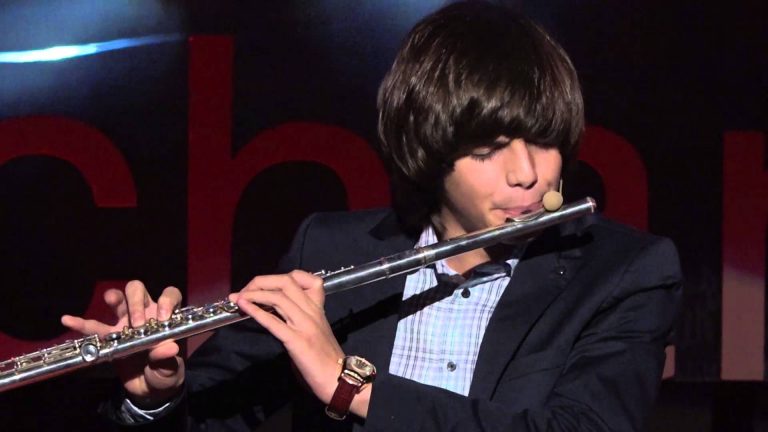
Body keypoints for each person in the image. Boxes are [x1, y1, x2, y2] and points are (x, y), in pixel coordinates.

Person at [62, 2, 682, 431]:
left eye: (543, 141)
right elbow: (214, 414)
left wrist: (351, 386)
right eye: (488, 149)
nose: (528, 173)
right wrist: (159, 397)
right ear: (430, 151)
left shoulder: (624, 271)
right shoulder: (329, 249)